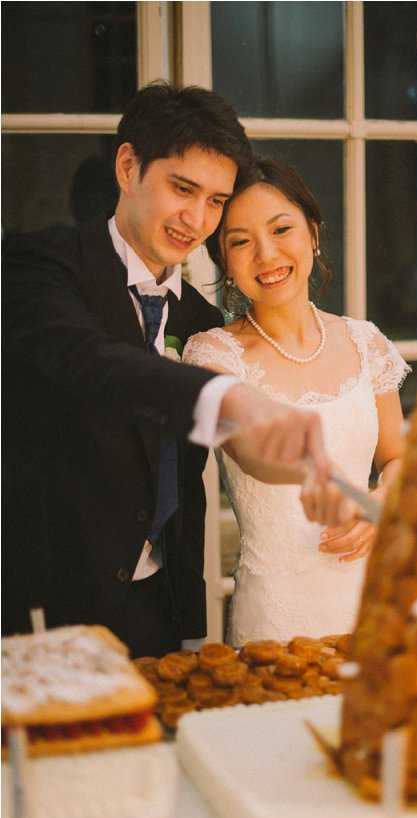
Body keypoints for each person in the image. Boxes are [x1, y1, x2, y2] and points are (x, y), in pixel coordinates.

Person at [2, 84, 358, 658]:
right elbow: (89, 360)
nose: (197, 220)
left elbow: (191, 483)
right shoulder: (41, 264)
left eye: (216, 201)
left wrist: (305, 467)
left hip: (160, 614)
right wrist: (226, 397)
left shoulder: (200, 319)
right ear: (127, 167)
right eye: (182, 188)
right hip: (48, 606)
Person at [183, 159, 410, 645]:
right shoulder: (213, 352)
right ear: (223, 263)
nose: (266, 254)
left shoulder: (365, 341)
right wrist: (310, 471)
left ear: (312, 232)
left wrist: (380, 501)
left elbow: (398, 456)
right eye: (240, 241)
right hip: (275, 616)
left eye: (281, 229)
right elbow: (247, 446)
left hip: (374, 597)